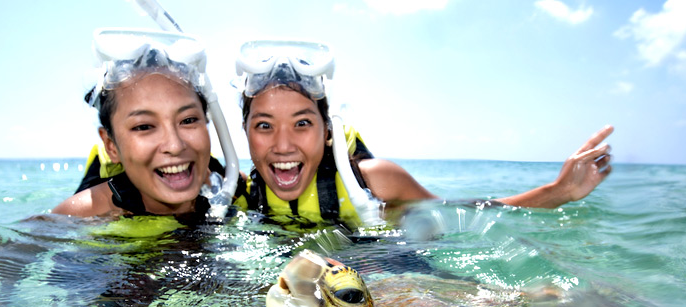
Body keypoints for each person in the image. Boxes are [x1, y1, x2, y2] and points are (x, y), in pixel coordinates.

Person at [233, 40, 613, 225]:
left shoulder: (374, 181)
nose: (283, 144)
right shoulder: (238, 197)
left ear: (327, 132)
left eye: (303, 123)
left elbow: (465, 214)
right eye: (264, 125)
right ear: (246, 133)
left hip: (395, 275)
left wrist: (557, 192)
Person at [54, 29, 236, 221]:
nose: (175, 146)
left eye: (188, 120)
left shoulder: (233, 190)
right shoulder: (77, 218)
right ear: (111, 146)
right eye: (144, 127)